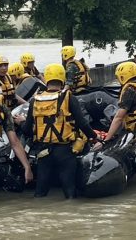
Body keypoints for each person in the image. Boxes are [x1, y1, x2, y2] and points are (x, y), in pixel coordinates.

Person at [23, 63, 101, 198]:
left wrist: (22, 122)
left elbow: (27, 129)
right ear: (62, 78)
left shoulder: (34, 100)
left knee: (40, 192)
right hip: (65, 151)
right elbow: (82, 123)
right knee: (69, 191)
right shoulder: (68, 97)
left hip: (43, 152)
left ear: (46, 78)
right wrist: (94, 137)